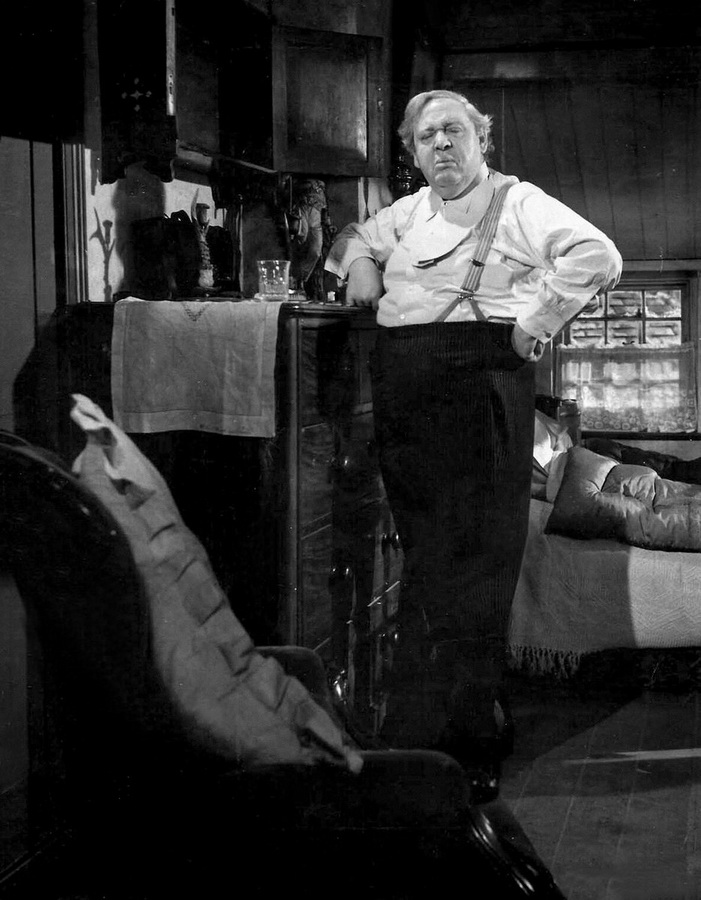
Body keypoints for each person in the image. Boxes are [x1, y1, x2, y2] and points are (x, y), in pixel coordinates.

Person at [324, 89, 623, 802]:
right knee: (428, 563)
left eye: (453, 131)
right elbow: (354, 235)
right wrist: (360, 262)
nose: (440, 146)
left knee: (480, 565)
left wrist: (533, 324)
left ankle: (472, 740)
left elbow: (597, 254)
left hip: (479, 383)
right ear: (412, 151)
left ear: (479, 139)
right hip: (404, 389)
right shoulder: (410, 212)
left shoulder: (516, 202)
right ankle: (424, 734)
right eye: (426, 137)